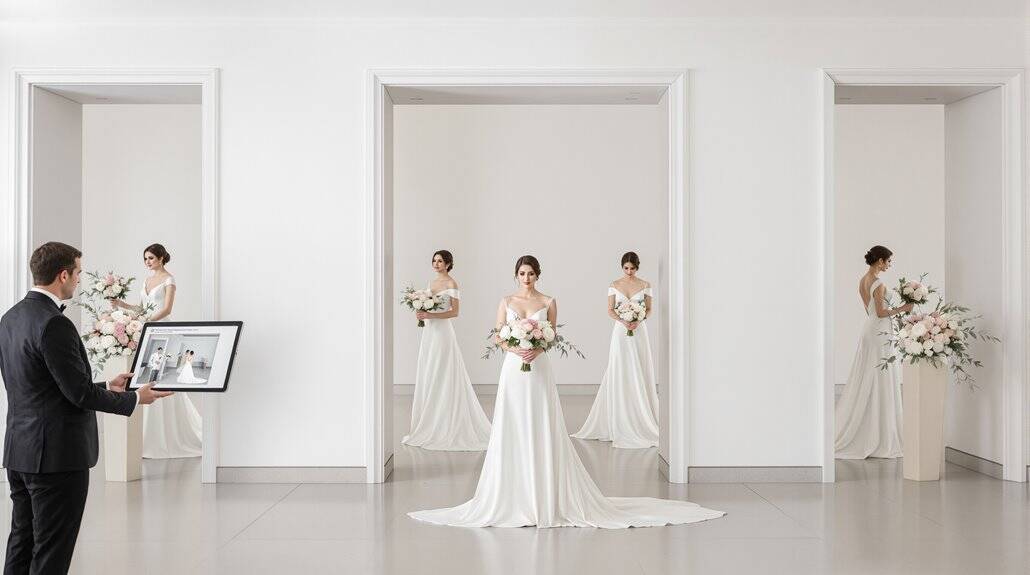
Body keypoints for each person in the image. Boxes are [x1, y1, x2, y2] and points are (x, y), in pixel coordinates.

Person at [409, 255, 724, 528]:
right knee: (513, 422)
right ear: (516, 275)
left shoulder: (548, 302)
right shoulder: (507, 301)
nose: (527, 278)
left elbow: (552, 338)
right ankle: (512, 492)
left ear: (538, 275)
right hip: (514, 369)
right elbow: (499, 338)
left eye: (531, 273)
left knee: (542, 422)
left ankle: (546, 492)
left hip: (539, 368)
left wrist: (536, 346)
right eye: (522, 273)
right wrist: (517, 348)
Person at [0, 242, 172, 574]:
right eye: (77, 272)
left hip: (19, 452)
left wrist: (108, 386)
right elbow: (77, 395)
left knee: (22, 542)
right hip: (56, 457)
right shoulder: (54, 323)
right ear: (63, 274)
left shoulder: (10, 317)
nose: (79, 279)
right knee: (51, 550)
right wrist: (135, 398)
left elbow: (43, 388)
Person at [112, 244, 202, 458]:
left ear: (161, 258)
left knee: (160, 374)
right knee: (145, 374)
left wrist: (146, 321)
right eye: (145, 258)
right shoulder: (146, 281)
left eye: (151, 258)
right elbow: (142, 308)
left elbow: (167, 309)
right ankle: (147, 436)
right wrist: (122, 304)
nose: (147, 262)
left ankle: (169, 436)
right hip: (146, 328)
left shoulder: (169, 280)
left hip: (162, 328)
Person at [403, 250, 491, 451]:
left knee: (443, 372)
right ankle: (430, 420)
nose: (436, 264)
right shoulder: (431, 283)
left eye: (440, 261)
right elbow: (427, 308)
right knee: (430, 371)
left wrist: (430, 316)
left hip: (442, 333)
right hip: (429, 333)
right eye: (434, 261)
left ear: (448, 263)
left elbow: (455, 312)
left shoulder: (452, 284)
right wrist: (420, 314)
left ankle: (445, 422)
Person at [573, 251, 659, 448]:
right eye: (626, 268)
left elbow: (650, 309)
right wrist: (623, 320)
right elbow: (610, 310)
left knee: (639, 365)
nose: (629, 271)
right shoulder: (614, 285)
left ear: (637, 267)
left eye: (632, 268)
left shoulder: (645, 285)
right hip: (621, 332)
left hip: (638, 331)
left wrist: (638, 319)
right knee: (620, 367)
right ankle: (619, 413)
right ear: (622, 267)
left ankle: (641, 412)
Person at [835, 245, 912, 459]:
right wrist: (903, 309)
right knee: (880, 375)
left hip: (869, 329)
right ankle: (880, 433)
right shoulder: (878, 283)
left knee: (869, 375)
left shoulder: (862, 281)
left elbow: (869, 311)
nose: (889, 265)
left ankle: (869, 426)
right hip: (878, 331)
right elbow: (880, 312)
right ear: (879, 261)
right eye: (888, 261)